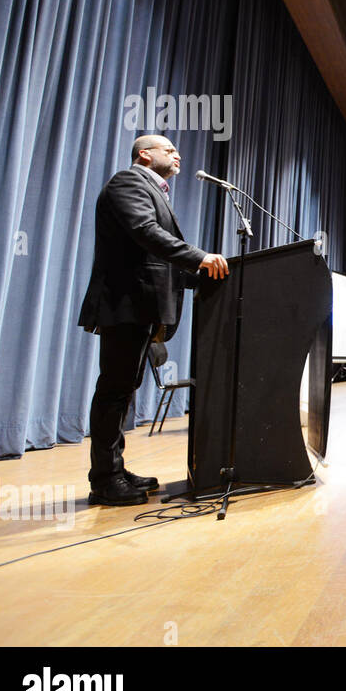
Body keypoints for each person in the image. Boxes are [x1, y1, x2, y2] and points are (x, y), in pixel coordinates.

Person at [79, 135, 229, 506]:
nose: (177, 155)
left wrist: (202, 276)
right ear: (144, 154)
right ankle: (104, 479)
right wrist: (198, 258)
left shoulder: (154, 190)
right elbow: (146, 234)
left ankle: (115, 468)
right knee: (114, 391)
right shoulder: (128, 181)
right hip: (125, 304)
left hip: (140, 307)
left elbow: (156, 256)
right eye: (169, 150)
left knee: (123, 390)